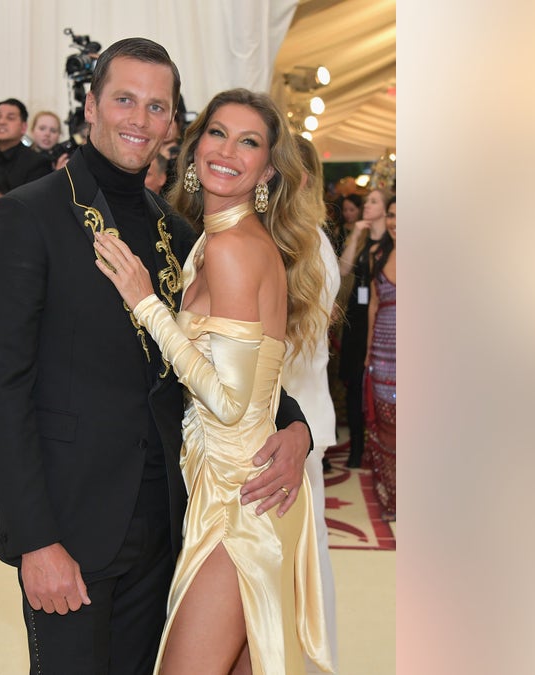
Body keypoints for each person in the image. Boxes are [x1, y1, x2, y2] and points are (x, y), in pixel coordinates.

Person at [0, 38, 313, 674]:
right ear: (91, 106)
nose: (139, 118)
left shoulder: (177, 231)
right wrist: (36, 539)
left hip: (169, 525)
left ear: (171, 124)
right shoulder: (28, 216)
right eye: (124, 99)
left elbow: (236, 356)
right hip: (69, 529)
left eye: (158, 106)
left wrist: (297, 427)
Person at [94, 88, 332, 674]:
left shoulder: (229, 249)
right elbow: (259, 385)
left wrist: (147, 304)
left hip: (238, 500)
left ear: (269, 170)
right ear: (195, 145)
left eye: (248, 141)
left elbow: (227, 403)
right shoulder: (218, 239)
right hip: (235, 486)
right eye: (217, 133)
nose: (227, 150)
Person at [289, 135, 340, 673]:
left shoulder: (309, 246)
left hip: (294, 425)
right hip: (296, 421)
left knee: (304, 562)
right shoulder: (305, 239)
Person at [336, 189, 389, 468]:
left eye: (373, 202)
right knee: (355, 386)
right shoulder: (362, 241)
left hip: (383, 322)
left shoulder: (392, 246)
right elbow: (343, 271)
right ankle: (358, 448)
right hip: (356, 322)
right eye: (366, 201)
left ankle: (383, 449)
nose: (367, 206)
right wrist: (356, 234)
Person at [365, 194, 396, 520]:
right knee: (387, 426)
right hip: (383, 355)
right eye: (391, 215)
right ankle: (394, 497)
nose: (395, 222)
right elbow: (373, 305)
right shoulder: (378, 254)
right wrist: (367, 353)